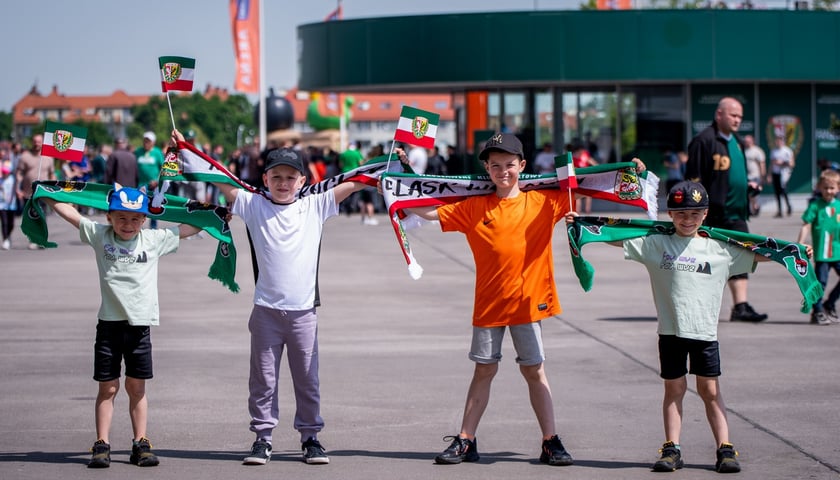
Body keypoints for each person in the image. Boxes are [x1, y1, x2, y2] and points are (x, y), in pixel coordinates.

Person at [403, 133, 645, 467]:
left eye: (510, 165)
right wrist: (397, 184)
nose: (503, 171)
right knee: (484, 370)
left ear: (523, 166)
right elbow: (429, 211)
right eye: (496, 165)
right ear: (487, 168)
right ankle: (466, 439)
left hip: (529, 303)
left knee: (534, 371)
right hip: (489, 305)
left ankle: (550, 441)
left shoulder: (544, 203)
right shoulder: (474, 207)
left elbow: (592, 185)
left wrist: (631, 173)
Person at [580, 181, 797, 474]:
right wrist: (581, 223)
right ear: (670, 213)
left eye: (695, 213)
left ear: (705, 214)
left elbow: (760, 253)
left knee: (709, 390)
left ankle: (725, 447)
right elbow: (617, 236)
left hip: (705, 334)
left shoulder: (720, 249)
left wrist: (794, 251)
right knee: (674, 388)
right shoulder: (656, 244)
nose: (688, 219)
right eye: (681, 213)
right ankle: (672, 448)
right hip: (670, 333)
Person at [191, 130, 376, 467]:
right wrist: (186, 149)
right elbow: (218, 179)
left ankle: (311, 438)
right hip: (266, 312)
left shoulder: (316, 205)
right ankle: (262, 439)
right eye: (276, 177)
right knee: (263, 379)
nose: (283, 182)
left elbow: (358, 182)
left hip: (304, 314)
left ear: (302, 180)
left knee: (307, 378)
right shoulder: (253, 204)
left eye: (290, 177)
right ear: (265, 178)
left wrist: (391, 167)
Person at [44, 183, 203, 469]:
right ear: (109, 217)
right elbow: (71, 214)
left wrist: (213, 216)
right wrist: (47, 193)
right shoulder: (99, 235)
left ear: (144, 219)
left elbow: (187, 228)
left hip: (140, 327)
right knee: (108, 388)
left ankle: (140, 442)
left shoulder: (153, 240)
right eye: (121, 218)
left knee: (136, 387)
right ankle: (101, 443)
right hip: (109, 325)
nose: (127, 225)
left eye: (134, 219)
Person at [686, 97, 768, 323]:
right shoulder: (704, 141)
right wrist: (696, 212)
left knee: (742, 255)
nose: (737, 120)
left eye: (740, 116)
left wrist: (748, 189)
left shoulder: (737, 142)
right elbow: (693, 180)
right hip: (713, 214)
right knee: (706, 262)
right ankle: (697, 306)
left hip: (736, 212)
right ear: (719, 115)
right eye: (733, 115)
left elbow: (734, 176)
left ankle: (740, 307)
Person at [797, 169, 840, 326]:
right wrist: (800, 242)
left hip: (838, 252)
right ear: (819, 188)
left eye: (832, 188)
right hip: (823, 254)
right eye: (825, 188)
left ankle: (829, 304)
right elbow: (806, 225)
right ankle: (817, 311)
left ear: (838, 188)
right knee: (820, 283)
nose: (829, 191)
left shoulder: (839, 206)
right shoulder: (815, 206)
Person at [15, 133, 56, 249]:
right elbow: (19, 173)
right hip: (28, 192)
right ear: (32, 142)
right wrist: (18, 187)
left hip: (44, 192)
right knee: (31, 216)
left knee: (42, 215)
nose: (37, 143)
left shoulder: (48, 157)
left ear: (42, 143)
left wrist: (53, 187)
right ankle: (33, 239)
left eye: (39, 141)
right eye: (35, 141)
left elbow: (52, 173)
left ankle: (41, 239)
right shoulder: (25, 156)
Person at [135, 131, 165, 228]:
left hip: (154, 184)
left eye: (148, 141)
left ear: (153, 142)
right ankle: (138, 227)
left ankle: (153, 228)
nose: (146, 143)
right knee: (139, 206)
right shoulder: (138, 152)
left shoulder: (157, 152)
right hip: (141, 184)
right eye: (145, 140)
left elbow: (163, 168)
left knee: (153, 206)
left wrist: (157, 180)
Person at [768, 135, 795, 218]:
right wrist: (769, 174)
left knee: (783, 190)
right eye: (777, 141)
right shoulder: (773, 151)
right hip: (775, 173)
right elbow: (771, 163)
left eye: (780, 141)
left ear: (783, 142)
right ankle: (779, 210)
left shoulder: (787, 151)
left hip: (784, 173)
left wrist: (782, 163)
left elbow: (792, 164)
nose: (778, 143)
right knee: (777, 192)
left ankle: (788, 206)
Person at [742, 135, 766, 216]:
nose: (747, 143)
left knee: (754, 194)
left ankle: (755, 207)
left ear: (752, 141)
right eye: (745, 142)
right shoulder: (744, 151)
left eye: (748, 141)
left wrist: (762, 175)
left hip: (755, 176)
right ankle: (750, 209)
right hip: (746, 176)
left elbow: (762, 164)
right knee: (747, 194)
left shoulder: (757, 151)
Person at [0, 146, 17, 250]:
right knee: (4, 222)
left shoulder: (12, 179)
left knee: (11, 223)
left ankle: (8, 235)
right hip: (1, 203)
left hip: (11, 203)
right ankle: (5, 239)